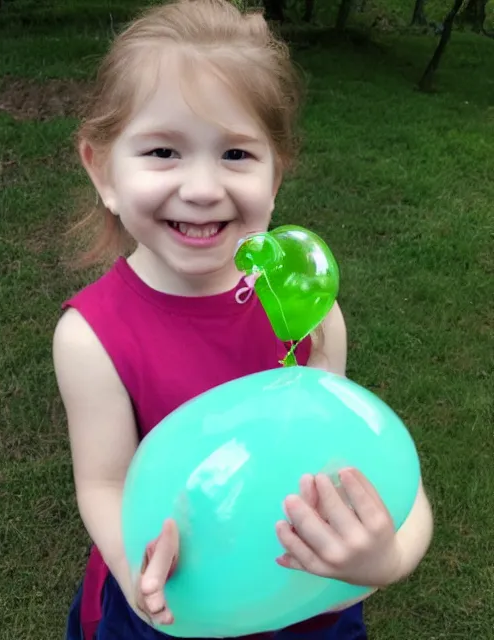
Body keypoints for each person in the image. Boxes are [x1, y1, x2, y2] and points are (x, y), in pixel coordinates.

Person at [53, 1, 434, 638]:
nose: (202, 187)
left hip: (302, 601)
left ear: (276, 172)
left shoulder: (305, 314)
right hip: (170, 596)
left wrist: (383, 559)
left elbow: (358, 460)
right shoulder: (93, 336)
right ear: (103, 170)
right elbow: (104, 483)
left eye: (235, 153)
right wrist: (137, 578)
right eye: (163, 152)